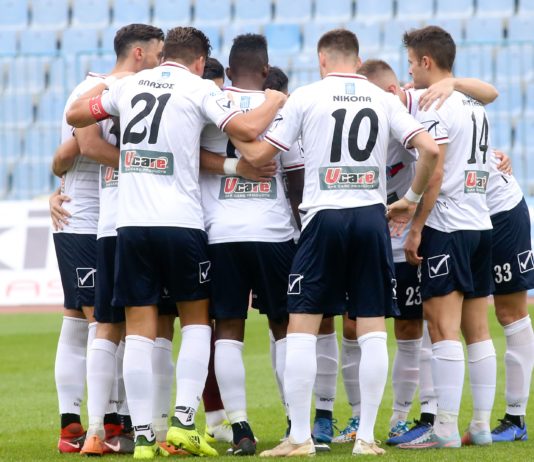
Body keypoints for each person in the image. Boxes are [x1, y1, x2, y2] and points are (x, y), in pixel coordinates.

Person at [66, 26, 286, 459]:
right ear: (200, 61)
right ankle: (184, 423)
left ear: (165, 52)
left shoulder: (127, 86)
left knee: (140, 330)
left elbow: (76, 115)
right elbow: (246, 127)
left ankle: (144, 438)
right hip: (181, 223)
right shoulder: (199, 87)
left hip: (131, 224)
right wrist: (275, 100)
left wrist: (107, 89)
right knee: (197, 321)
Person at [231, 28, 439, 457]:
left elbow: (258, 155)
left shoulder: (307, 96)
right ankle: (366, 438)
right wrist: (409, 199)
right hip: (370, 217)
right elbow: (431, 150)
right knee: (372, 327)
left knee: (303, 325)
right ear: (357, 60)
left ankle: (300, 437)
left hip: (324, 217)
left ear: (322, 59)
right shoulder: (382, 98)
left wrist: (226, 126)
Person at [51, 23, 164, 455]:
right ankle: (95, 424)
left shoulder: (133, 92)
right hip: (82, 218)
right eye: (157, 54)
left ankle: (92, 424)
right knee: (99, 322)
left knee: (86, 319)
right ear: (138, 54)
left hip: (111, 216)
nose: (161, 63)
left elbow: (62, 159)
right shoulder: (94, 90)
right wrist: (147, 165)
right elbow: (81, 148)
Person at [199, 33, 304, 456]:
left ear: (228, 68)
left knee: (227, 328)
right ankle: (295, 422)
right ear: (265, 69)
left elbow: (188, 155)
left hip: (221, 233)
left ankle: (240, 428)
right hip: (273, 232)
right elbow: (295, 176)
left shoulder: (210, 102)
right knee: (285, 327)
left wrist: (229, 167)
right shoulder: (282, 106)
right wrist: (302, 231)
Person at [399, 25, 496, 449]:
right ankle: (481, 425)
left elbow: (434, 170)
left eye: (411, 62)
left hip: (449, 226)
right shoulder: (474, 104)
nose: (409, 71)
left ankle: (444, 429)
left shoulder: (434, 103)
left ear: (426, 61)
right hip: (480, 224)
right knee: (478, 331)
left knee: (442, 328)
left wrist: (416, 225)